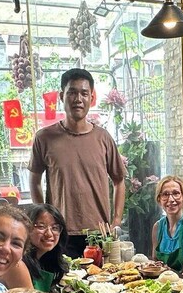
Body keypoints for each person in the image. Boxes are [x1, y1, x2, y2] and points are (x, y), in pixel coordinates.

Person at [28, 68, 127, 259]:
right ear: (61, 96)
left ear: (92, 97)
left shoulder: (103, 138)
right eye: (72, 92)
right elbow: (34, 181)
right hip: (59, 232)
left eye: (84, 93)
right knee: (61, 277)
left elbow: (119, 180)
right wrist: (44, 218)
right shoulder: (44, 138)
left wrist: (116, 220)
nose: (78, 99)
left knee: (103, 278)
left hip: (99, 233)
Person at [4, 204, 69, 293]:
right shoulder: (18, 264)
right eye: (41, 226)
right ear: (26, 229)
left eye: (55, 228)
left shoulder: (46, 259)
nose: (49, 234)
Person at [150, 175, 183, 275]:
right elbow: (155, 262)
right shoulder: (157, 227)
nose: (171, 199)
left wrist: (173, 282)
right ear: (159, 199)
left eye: (176, 193)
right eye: (165, 194)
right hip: (162, 281)